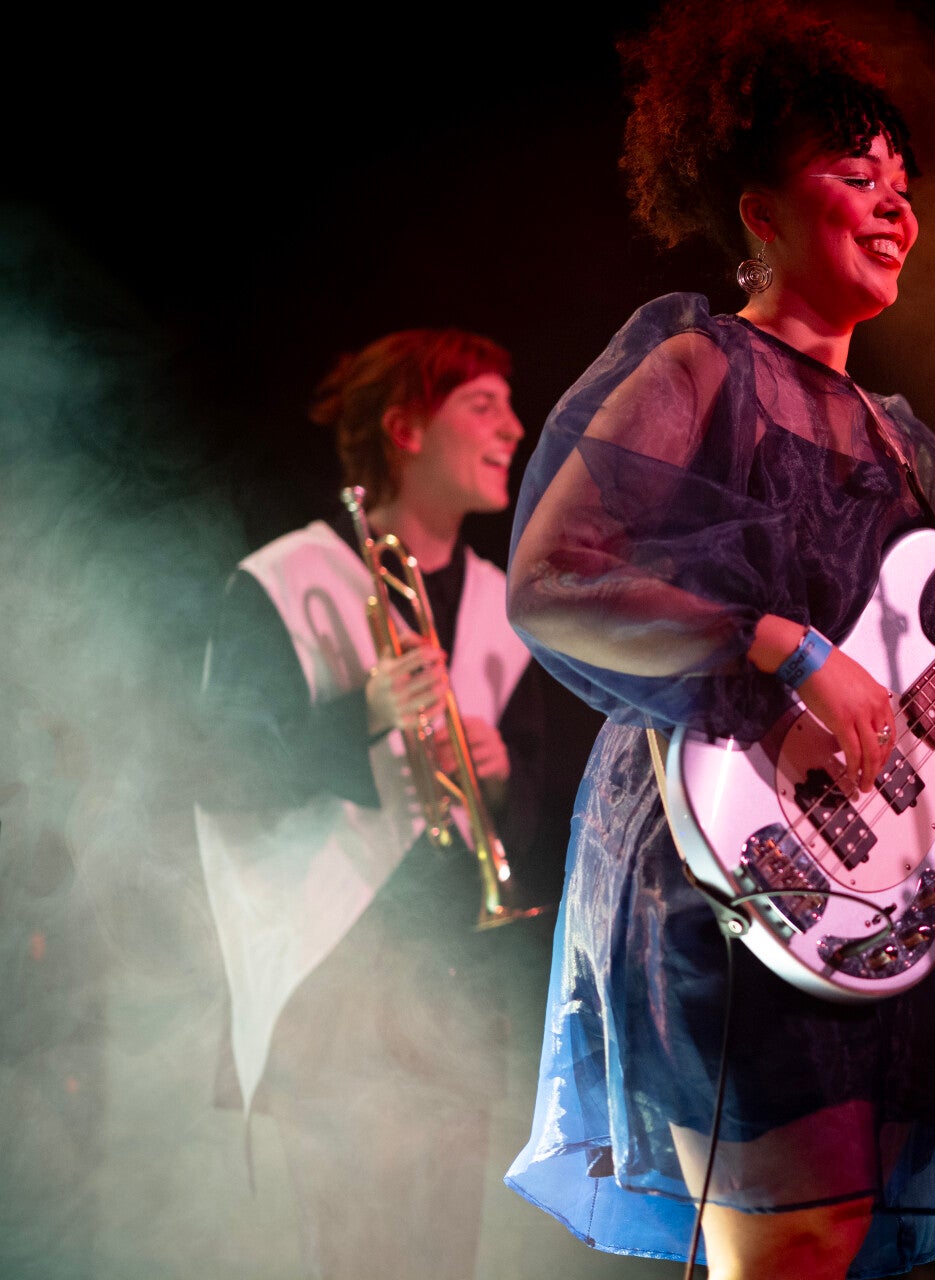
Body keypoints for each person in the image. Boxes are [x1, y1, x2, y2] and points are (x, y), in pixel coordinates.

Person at [499, 5, 935, 1278]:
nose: (897, 205)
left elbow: (922, 690)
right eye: (856, 176)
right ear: (760, 211)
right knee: (787, 1248)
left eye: (904, 181)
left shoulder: (904, 441)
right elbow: (553, 580)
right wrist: (782, 644)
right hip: (715, 850)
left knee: (818, 1245)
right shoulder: (700, 364)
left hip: (855, 881)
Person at [195, 329, 576, 1279]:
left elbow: (532, 814)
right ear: (405, 430)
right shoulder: (286, 579)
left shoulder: (502, 605)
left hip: (454, 981)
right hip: (335, 977)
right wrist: (361, 717)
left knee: (446, 1258)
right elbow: (215, 769)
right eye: (481, 407)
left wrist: (500, 778)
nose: (514, 429)